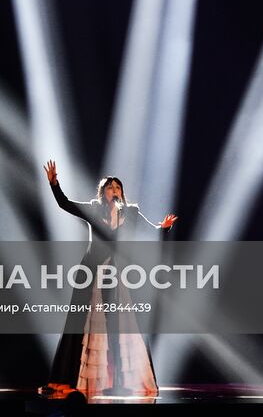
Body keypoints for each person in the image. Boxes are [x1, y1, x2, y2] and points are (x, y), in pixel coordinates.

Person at [39, 159, 177, 399]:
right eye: (110, 188)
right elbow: (65, 204)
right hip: (93, 271)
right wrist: (54, 184)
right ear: (102, 193)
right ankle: (71, 377)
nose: (114, 191)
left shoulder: (130, 212)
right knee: (85, 325)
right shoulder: (94, 209)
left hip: (116, 273)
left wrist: (163, 228)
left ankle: (119, 380)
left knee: (120, 325)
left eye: (118, 188)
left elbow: (150, 231)